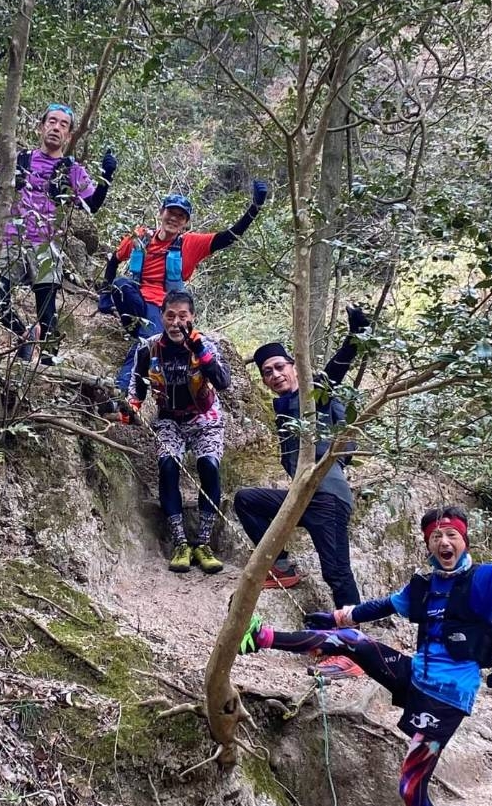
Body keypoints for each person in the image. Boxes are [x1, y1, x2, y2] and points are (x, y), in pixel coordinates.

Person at [240, 481, 492, 806]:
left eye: (451, 535)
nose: (444, 542)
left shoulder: (487, 579)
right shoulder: (425, 586)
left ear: (464, 540)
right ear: (427, 544)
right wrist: (337, 617)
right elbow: (384, 606)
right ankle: (262, 637)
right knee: (353, 641)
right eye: (436, 537)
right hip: (415, 676)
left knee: (410, 787)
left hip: (447, 697)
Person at [234, 304, 371, 602]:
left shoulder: (312, 396)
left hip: (327, 498)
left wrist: (355, 336)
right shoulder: (284, 409)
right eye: (267, 372)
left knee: (336, 572)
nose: (275, 375)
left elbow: (333, 374)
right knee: (246, 500)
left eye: (279, 367)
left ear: (294, 367)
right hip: (302, 498)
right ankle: (280, 566)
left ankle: (351, 629)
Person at [0, 103, 116, 363]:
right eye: (52, 121)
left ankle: (49, 363)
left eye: (63, 124)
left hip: (46, 244)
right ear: (41, 127)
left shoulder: (71, 169)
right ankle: (23, 334)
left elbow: (92, 205)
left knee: (47, 309)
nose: (56, 127)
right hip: (12, 240)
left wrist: (106, 177)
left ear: (69, 135)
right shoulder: (21, 160)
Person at [100, 183, 269, 394]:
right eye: (170, 212)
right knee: (120, 284)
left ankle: (122, 390)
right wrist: (104, 296)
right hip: (135, 303)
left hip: (161, 309)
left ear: (186, 222)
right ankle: (142, 332)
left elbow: (230, 236)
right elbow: (114, 260)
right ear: (161, 212)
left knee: (147, 343)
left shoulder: (189, 244)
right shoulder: (141, 237)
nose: (174, 218)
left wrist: (255, 207)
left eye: (180, 216)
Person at [128, 289, 231, 574]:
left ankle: (204, 543)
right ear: (161, 316)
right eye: (170, 316)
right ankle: (180, 543)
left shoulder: (206, 345)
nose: (176, 323)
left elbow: (223, 382)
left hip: (205, 416)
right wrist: (131, 406)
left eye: (182, 316)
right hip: (169, 419)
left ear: (192, 317)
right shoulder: (149, 348)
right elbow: (136, 386)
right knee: (168, 465)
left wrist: (199, 350)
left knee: (208, 465)